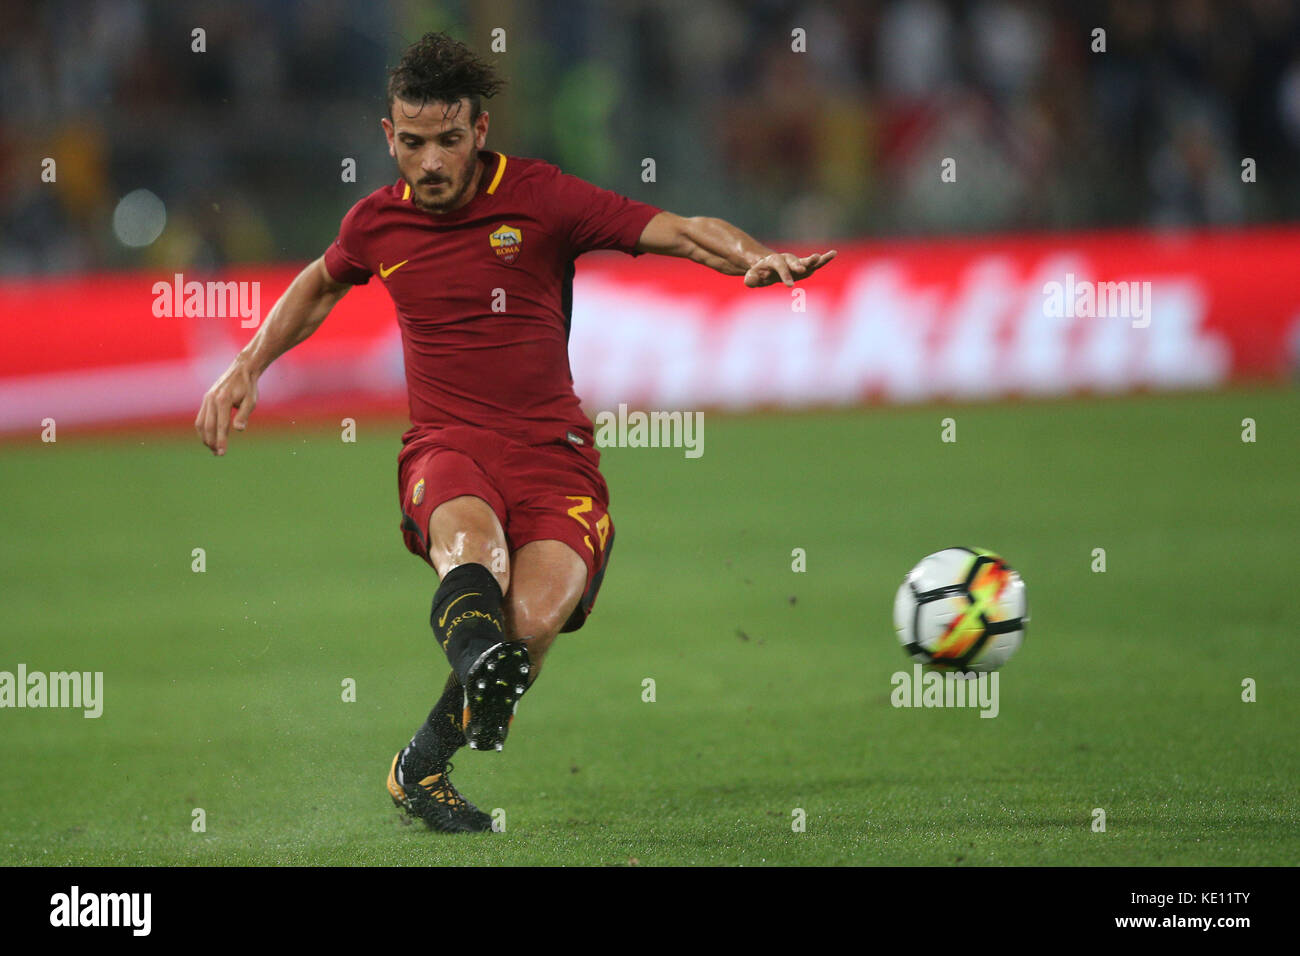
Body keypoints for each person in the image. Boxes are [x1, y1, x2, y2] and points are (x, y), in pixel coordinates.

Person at [195, 32, 836, 833]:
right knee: (474, 556)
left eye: (448, 142)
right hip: (447, 445)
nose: (430, 164)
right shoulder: (376, 224)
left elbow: (675, 228)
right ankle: (483, 683)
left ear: (480, 132)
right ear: (389, 136)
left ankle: (420, 765)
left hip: (554, 456)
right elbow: (321, 284)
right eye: (414, 143)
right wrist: (248, 363)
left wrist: (753, 255)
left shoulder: (542, 197)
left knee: (528, 628)